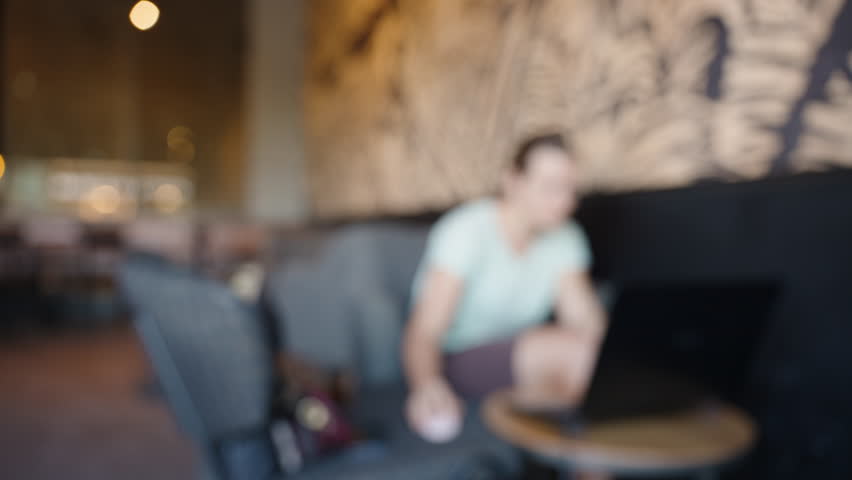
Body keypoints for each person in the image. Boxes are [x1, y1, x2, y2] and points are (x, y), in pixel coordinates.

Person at [403, 133, 607, 443]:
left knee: (578, 365)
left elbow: (583, 321)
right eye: (551, 187)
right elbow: (424, 331)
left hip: (519, 358)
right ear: (513, 181)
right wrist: (426, 385)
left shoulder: (565, 237)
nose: (565, 201)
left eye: (570, 189)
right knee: (570, 354)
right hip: (456, 359)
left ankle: (580, 458)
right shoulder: (467, 231)